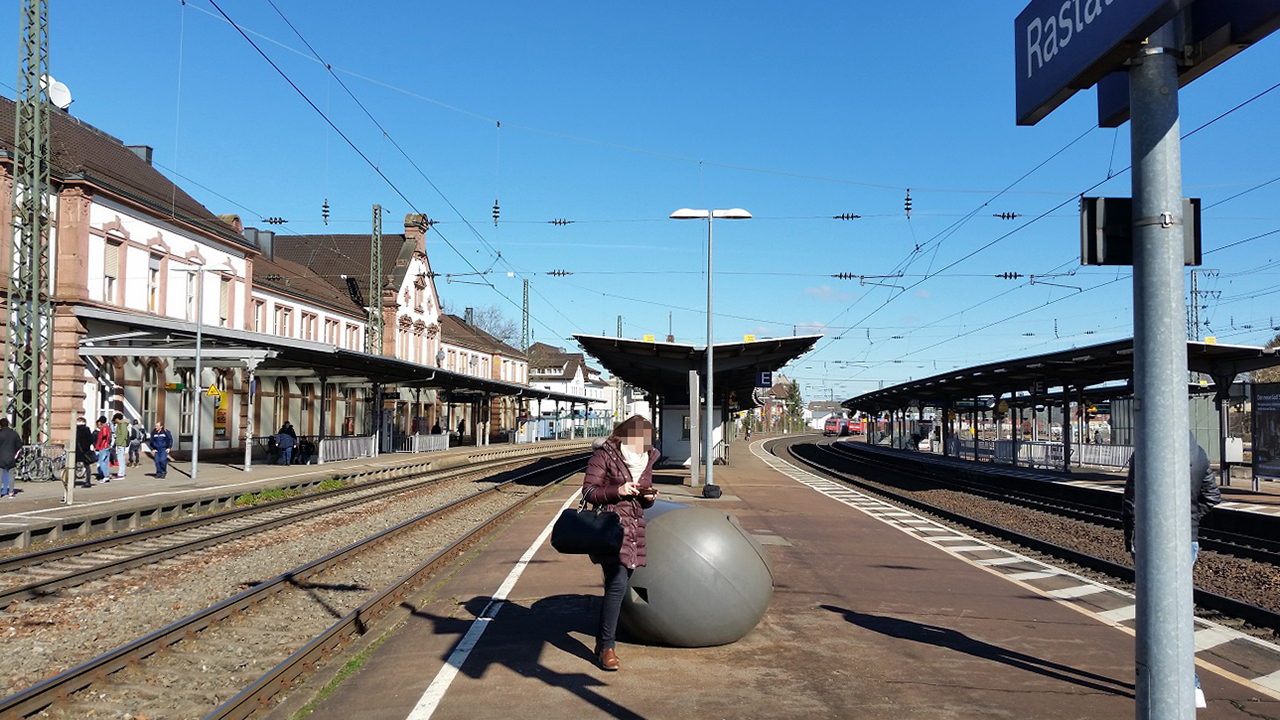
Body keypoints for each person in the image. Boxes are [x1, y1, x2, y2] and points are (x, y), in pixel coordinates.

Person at [1122, 431, 1221, 709]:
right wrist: (1187, 519)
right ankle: (1184, 683)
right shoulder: (1198, 454)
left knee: (1155, 615)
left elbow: (1131, 499)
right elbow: (1212, 497)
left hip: (1150, 541)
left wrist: (1130, 534)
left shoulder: (1144, 452)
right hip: (1187, 541)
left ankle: (1180, 683)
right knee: (1176, 612)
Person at [581, 414, 660, 671]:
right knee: (616, 585)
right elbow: (589, 492)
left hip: (634, 530)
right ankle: (607, 647)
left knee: (619, 585)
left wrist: (648, 497)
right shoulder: (605, 455)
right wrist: (619, 490)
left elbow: (643, 497)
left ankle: (602, 641)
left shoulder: (647, 458)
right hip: (610, 529)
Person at [0, 418, 22, 499]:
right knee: (10, 476)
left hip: (1, 458)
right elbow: (19, 446)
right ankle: (11, 493)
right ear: (8, 424)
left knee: (0, 476)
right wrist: (15, 456)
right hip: (11, 457)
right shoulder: (14, 434)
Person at [75, 416, 96, 488]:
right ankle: (88, 481)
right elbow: (90, 440)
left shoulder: (76, 430)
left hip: (77, 451)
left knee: (73, 466)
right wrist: (86, 447)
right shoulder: (86, 430)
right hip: (85, 451)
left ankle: (72, 481)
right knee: (87, 466)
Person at [93, 416, 113, 483]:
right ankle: (106, 475)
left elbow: (103, 436)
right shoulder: (108, 427)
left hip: (103, 446)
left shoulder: (104, 428)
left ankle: (105, 476)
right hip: (107, 446)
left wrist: (98, 445)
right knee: (106, 462)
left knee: (102, 462)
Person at [112, 413, 129, 480]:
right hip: (119, 443)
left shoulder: (122, 425)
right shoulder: (119, 425)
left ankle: (121, 473)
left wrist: (121, 443)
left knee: (121, 459)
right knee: (120, 458)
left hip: (121, 444)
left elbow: (124, 434)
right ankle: (121, 473)